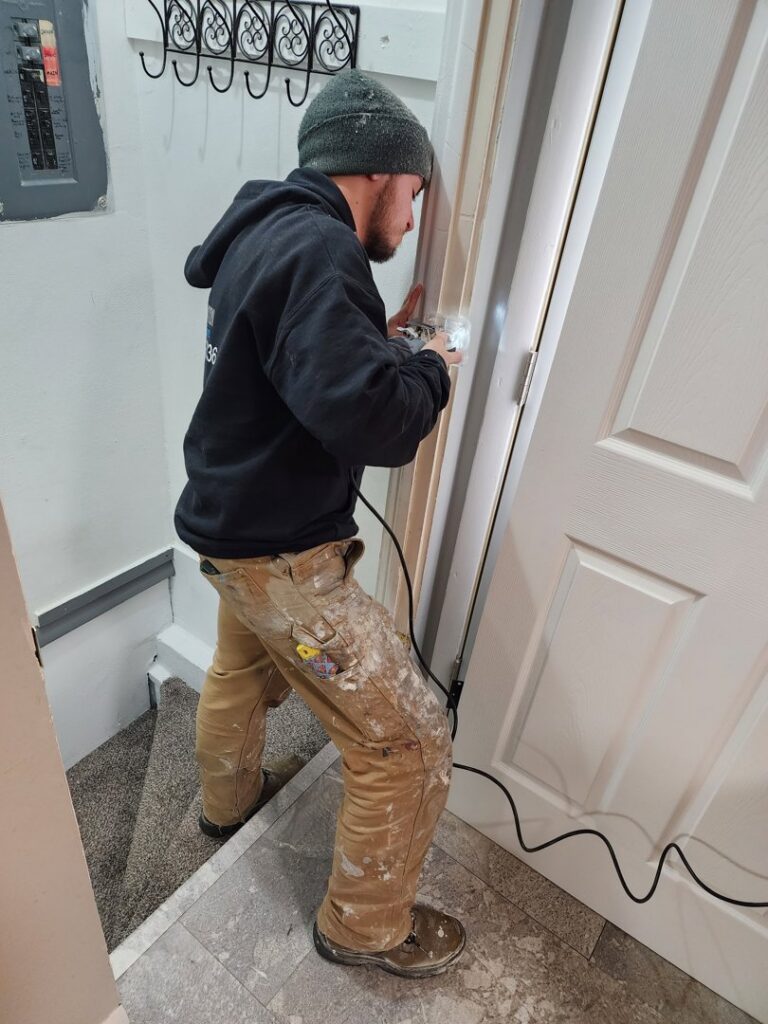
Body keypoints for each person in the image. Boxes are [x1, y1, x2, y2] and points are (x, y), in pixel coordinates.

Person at [174, 68, 464, 978]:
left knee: (237, 670)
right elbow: (374, 424)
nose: (412, 222)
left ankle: (224, 807)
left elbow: (295, 369)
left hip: (226, 533)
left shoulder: (266, 232)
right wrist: (435, 371)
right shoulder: (321, 251)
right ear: (379, 172)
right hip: (283, 566)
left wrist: (377, 342)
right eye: (414, 196)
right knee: (408, 738)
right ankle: (364, 929)